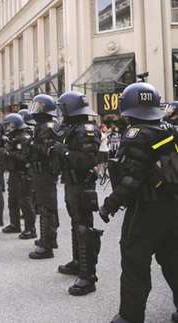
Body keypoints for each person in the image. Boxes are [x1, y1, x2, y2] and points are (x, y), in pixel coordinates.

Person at [98, 83, 178, 323]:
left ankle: (130, 317)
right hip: (172, 207)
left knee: (135, 265)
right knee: (174, 260)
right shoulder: (170, 129)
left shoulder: (136, 136)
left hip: (144, 211)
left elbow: (131, 181)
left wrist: (109, 205)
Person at [53, 91, 102, 296]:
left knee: (84, 228)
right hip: (72, 183)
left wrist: (63, 151)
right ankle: (77, 263)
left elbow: (87, 161)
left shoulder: (87, 129)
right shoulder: (73, 127)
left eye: (63, 108)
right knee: (76, 225)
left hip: (82, 185)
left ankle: (88, 276)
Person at [28, 94, 63, 260]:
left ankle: (46, 245)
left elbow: (49, 149)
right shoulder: (46, 125)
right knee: (47, 206)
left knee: (45, 208)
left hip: (45, 172)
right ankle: (49, 238)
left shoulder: (48, 126)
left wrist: (33, 146)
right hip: (43, 171)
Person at [1, 113, 36, 239]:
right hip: (14, 173)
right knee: (13, 200)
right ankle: (15, 224)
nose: (8, 127)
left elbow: (24, 157)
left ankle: (30, 229)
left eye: (9, 125)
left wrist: (9, 153)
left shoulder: (24, 137)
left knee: (25, 201)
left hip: (24, 173)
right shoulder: (14, 137)